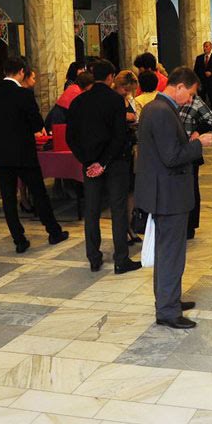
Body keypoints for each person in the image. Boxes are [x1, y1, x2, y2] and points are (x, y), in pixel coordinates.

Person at [135, 67, 212, 329]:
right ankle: (168, 311)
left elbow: (167, 149)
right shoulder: (162, 111)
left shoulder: (156, 108)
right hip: (168, 195)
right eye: (190, 94)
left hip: (164, 192)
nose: (190, 100)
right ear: (179, 87)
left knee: (168, 252)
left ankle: (169, 300)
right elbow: (172, 157)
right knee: (170, 254)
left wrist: (189, 140)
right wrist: (199, 144)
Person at [0, 57, 68, 253]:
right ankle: (53, 231)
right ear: (21, 71)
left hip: (2, 154)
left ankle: (19, 240)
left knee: (9, 198)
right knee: (38, 193)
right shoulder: (23, 94)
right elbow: (37, 124)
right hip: (23, 152)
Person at [66, 59, 139, 274]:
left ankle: (93, 257)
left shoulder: (78, 102)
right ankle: (121, 259)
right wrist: (103, 162)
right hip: (115, 162)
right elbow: (118, 136)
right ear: (110, 77)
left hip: (90, 163)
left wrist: (87, 161)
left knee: (91, 210)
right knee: (118, 209)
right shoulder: (115, 100)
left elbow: (71, 137)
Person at [178, 92, 212, 238]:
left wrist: (198, 131)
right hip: (176, 151)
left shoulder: (195, 101)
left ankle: (190, 226)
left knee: (192, 188)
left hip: (190, 151)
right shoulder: (169, 103)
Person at [112, 69, 142, 246]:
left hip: (131, 148)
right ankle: (122, 229)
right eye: (126, 89)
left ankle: (130, 225)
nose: (128, 92)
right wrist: (126, 117)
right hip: (119, 151)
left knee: (132, 190)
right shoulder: (112, 100)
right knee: (121, 193)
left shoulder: (127, 99)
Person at [193, 41, 212, 114]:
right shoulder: (199, 58)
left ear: (211, 47)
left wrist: (211, 73)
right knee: (201, 101)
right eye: (204, 46)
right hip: (202, 83)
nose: (205, 48)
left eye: (206, 46)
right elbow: (196, 70)